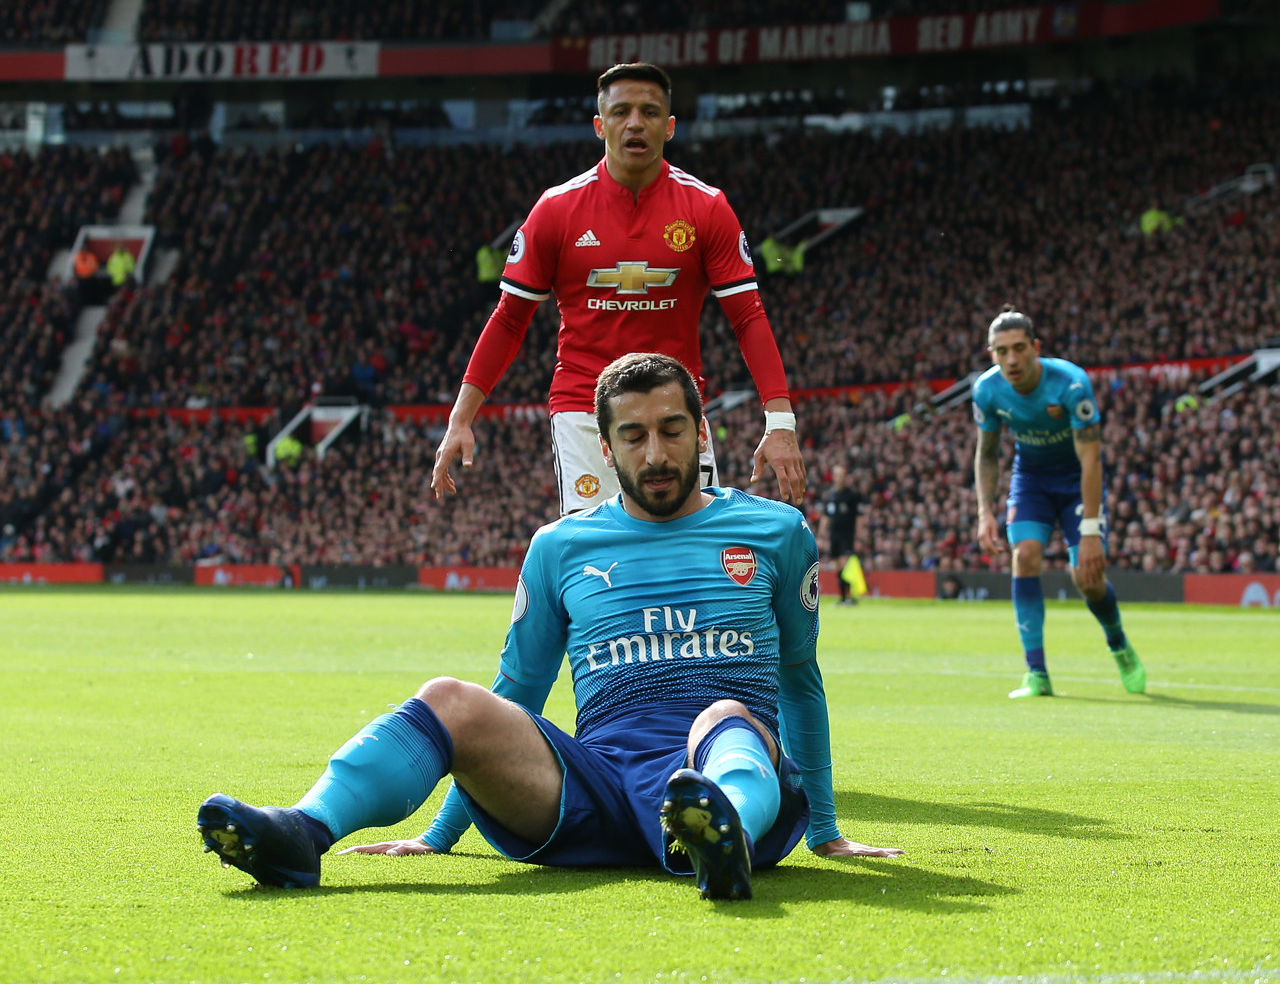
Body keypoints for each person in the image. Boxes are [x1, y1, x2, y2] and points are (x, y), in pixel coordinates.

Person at [199, 353, 901, 900]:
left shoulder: (777, 531)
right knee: (449, 697)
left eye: (671, 430)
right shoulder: (559, 546)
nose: (656, 455)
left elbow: (799, 680)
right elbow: (517, 694)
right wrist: (440, 835)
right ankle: (303, 832)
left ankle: (725, 838)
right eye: (633, 436)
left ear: (702, 432)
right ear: (606, 449)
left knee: (724, 716)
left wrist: (826, 830)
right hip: (594, 787)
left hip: (726, 763)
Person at [430, 62, 805, 516]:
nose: (635, 123)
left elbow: (747, 317)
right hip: (585, 411)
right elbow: (509, 320)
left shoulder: (707, 208)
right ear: (599, 125)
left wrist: (780, 421)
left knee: (684, 550)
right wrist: (460, 418)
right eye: (622, 111)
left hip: (674, 410)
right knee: (600, 550)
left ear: (669, 127)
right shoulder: (556, 210)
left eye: (650, 112)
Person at [972, 306, 1146, 698]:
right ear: (991, 354)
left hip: (1076, 481)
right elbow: (987, 453)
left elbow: (1091, 459)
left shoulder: (1071, 384)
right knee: (1024, 555)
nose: (1011, 360)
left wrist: (1090, 531)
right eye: (1002, 351)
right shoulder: (986, 390)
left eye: (1019, 348)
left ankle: (1118, 643)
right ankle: (1036, 673)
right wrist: (984, 511)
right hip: (1031, 479)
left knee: (1087, 578)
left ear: (1036, 348)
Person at [817, 464, 861, 605]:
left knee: (845, 565)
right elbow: (825, 516)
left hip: (847, 535)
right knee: (837, 566)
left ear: (846, 477)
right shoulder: (831, 495)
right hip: (834, 535)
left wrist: (859, 537)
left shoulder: (852, 495)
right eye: (837, 475)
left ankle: (851, 597)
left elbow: (859, 518)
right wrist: (821, 536)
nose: (839, 478)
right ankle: (843, 598)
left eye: (842, 475)